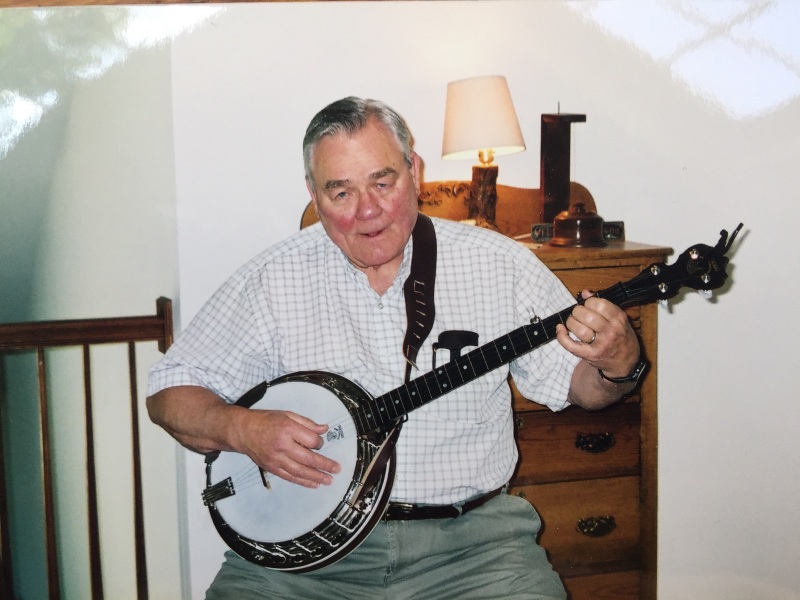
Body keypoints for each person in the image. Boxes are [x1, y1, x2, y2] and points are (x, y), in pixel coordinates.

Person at [147, 96, 644, 599]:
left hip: (475, 551)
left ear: (414, 171)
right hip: (301, 562)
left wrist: (618, 365)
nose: (367, 211)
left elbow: (582, 387)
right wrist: (242, 428)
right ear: (314, 195)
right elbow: (169, 395)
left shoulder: (500, 263)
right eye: (341, 192)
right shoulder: (273, 277)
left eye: (383, 183)